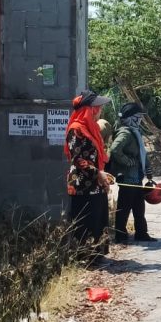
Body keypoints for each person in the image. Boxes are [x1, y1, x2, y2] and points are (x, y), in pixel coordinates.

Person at [65, 90, 113, 264]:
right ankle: (84, 258)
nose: (100, 110)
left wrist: (102, 173)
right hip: (82, 185)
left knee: (98, 218)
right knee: (85, 221)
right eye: (98, 107)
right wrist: (97, 172)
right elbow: (77, 159)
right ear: (90, 109)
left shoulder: (92, 129)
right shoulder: (76, 129)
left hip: (96, 184)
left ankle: (96, 255)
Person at [109, 102, 157, 243]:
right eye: (138, 117)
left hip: (136, 177)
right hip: (127, 178)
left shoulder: (135, 131)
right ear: (130, 118)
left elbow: (142, 152)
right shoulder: (125, 133)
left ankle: (141, 233)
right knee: (124, 209)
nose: (140, 120)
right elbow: (114, 149)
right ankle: (120, 236)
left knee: (139, 208)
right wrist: (127, 161)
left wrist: (147, 168)